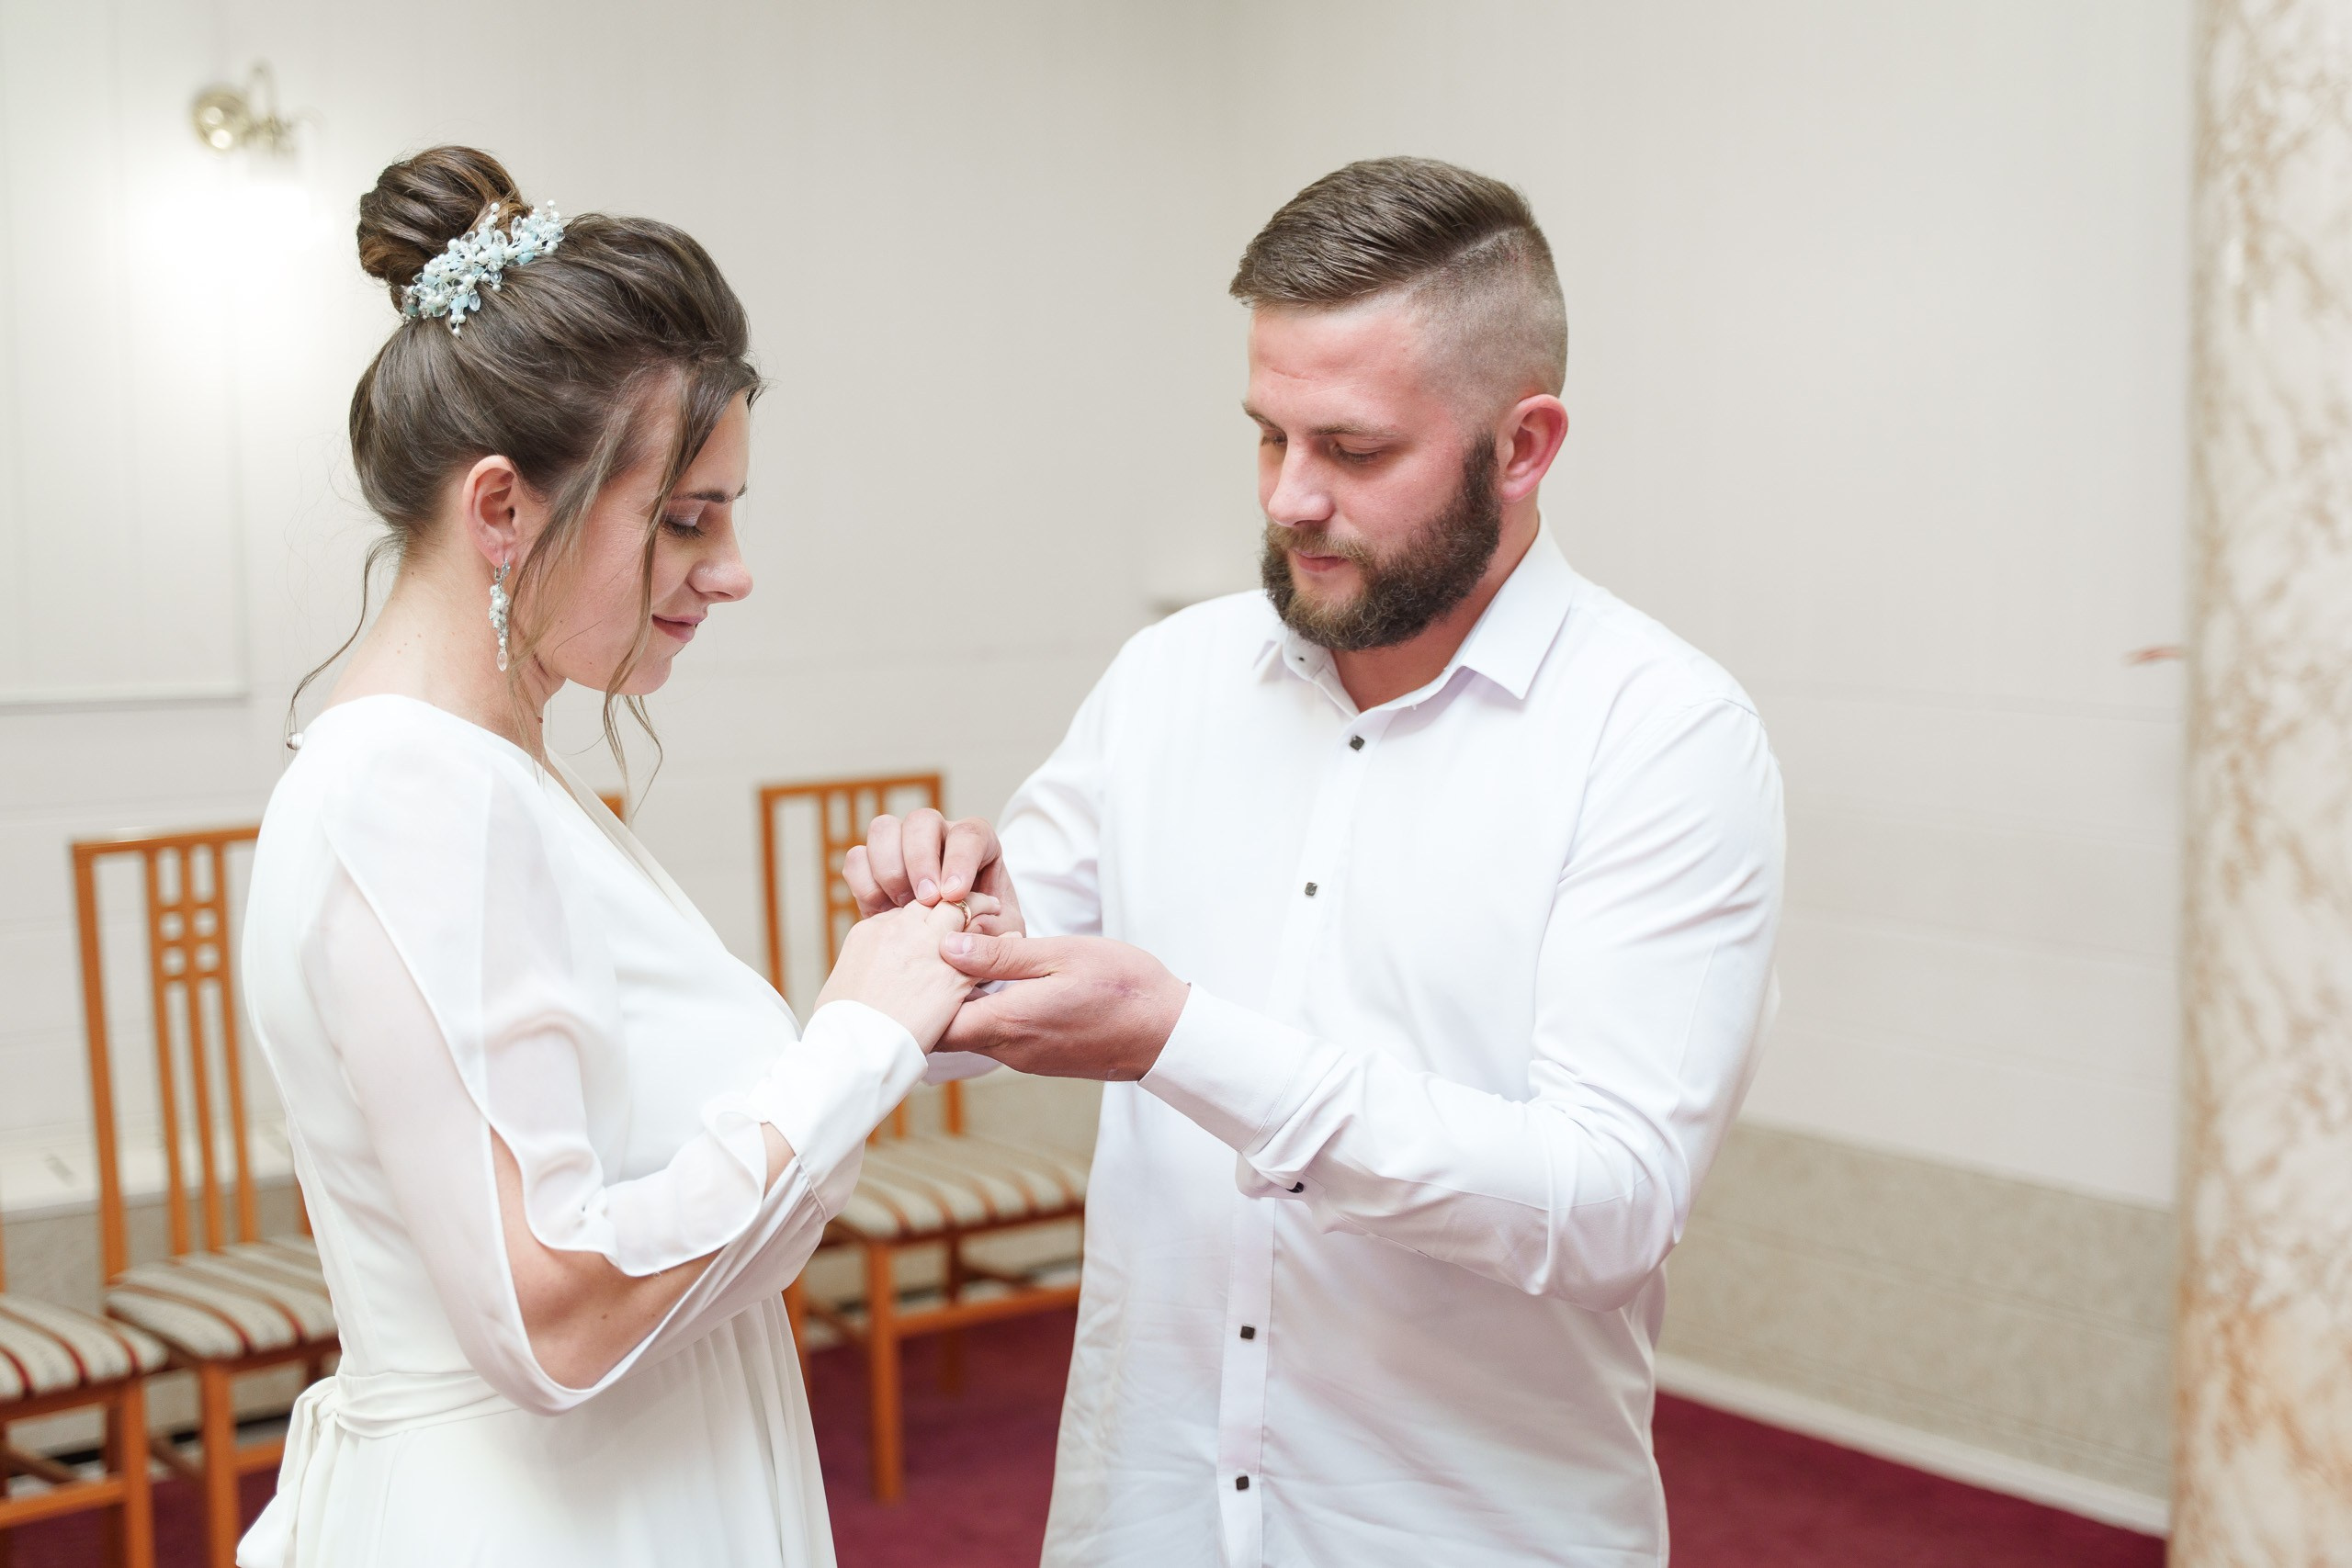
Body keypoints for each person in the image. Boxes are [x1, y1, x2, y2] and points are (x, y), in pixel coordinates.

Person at [850, 157, 1785, 1565]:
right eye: (1266, 437)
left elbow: (1607, 1209)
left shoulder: (1663, 738)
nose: (1290, 499)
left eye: (1352, 452)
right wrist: (948, 931)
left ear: (1524, 447)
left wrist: (1181, 1040)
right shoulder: (1167, 677)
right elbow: (967, 1027)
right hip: (1146, 1514)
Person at [235, 146, 978, 1568]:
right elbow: (556, 1313)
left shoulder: (481, 776)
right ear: (502, 510)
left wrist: (926, 991)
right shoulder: (416, 790)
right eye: (687, 518)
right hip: (549, 1518)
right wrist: (855, 1042)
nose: (734, 568)